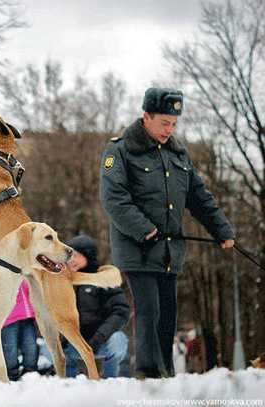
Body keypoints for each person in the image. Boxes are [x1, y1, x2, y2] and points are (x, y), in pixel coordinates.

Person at [99, 88, 235, 378]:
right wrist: (144, 228)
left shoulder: (177, 153)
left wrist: (221, 229)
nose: (169, 130)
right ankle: (148, 372)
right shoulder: (120, 150)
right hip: (138, 247)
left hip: (169, 250)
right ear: (146, 117)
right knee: (149, 309)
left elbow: (199, 197)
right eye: (164, 123)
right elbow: (114, 198)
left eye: (173, 124)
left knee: (168, 313)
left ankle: (166, 373)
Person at [61, 235, 130, 378]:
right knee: (47, 347)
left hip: (101, 341)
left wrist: (99, 338)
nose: (71, 259)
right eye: (69, 255)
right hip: (74, 344)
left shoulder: (103, 279)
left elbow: (120, 311)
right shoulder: (62, 281)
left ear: (88, 256)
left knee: (119, 340)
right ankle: (67, 383)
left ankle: (111, 380)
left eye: (76, 255)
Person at [1, 280, 39, 381]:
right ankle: (11, 375)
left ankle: (30, 373)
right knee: (10, 348)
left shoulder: (24, 272)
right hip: (8, 318)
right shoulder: (1, 273)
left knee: (31, 346)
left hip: (27, 316)